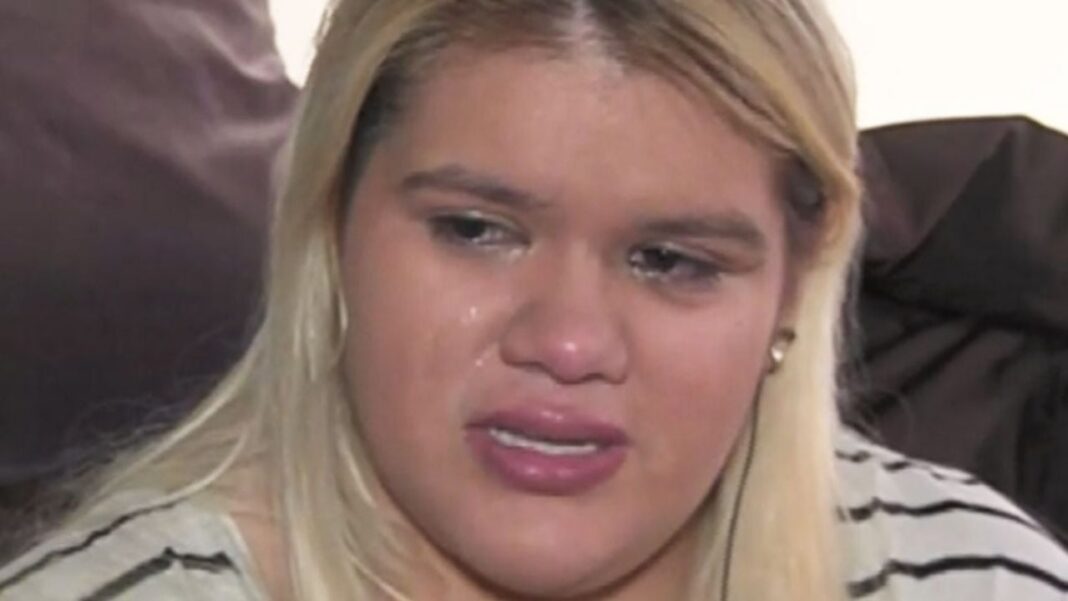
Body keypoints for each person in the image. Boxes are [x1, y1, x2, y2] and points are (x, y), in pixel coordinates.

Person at [2, 0, 1066, 599]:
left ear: (794, 284)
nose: (567, 342)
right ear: (330, 230)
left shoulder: (972, 576)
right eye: (477, 230)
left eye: (671, 260)